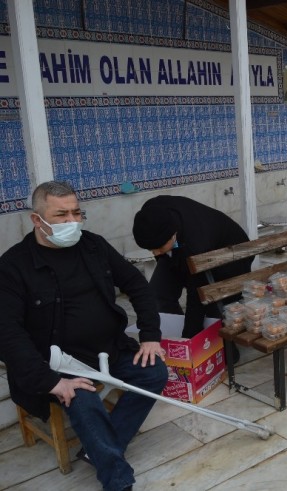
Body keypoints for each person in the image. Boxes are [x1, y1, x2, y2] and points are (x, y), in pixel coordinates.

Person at [0, 181, 168, 491]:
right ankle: (117, 480)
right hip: (59, 365)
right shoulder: (13, 266)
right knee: (84, 401)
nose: (72, 222)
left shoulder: (93, 245)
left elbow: (137, 285)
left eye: (77, 213)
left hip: (110, 348)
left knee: (154, 372)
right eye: (61, 215)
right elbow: (7, 334)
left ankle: (99, 449)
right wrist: (52, 381)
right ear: (37, 220)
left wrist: (150, 336)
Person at [133, 195, 254, 339]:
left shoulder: (195, 244)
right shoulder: (152, 212)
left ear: (173, 236)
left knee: (214, 309)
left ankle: (223, 350)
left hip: (231, 255)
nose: (155, 253)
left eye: (158, 248)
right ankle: (174, 337)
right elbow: (160, 248)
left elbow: (196, 296)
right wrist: (163, 254)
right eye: (151, 250)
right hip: (183, 250)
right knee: (157, 294)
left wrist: (189, 337)